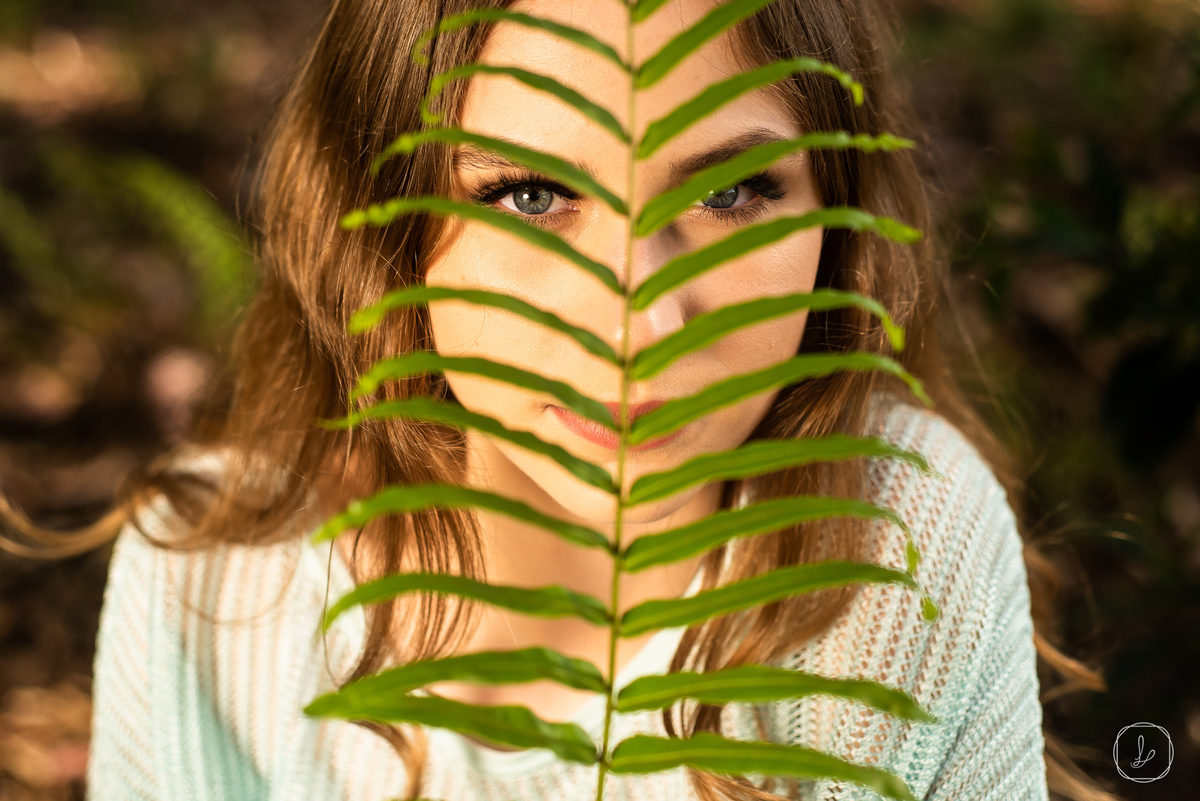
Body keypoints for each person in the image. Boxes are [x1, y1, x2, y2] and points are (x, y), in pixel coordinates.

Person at [0, 0, 1120, 799]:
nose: (640, 323)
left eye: (735, 191)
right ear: (383, 227)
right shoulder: (218, 591)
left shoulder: (893, 550)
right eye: (531, 195)